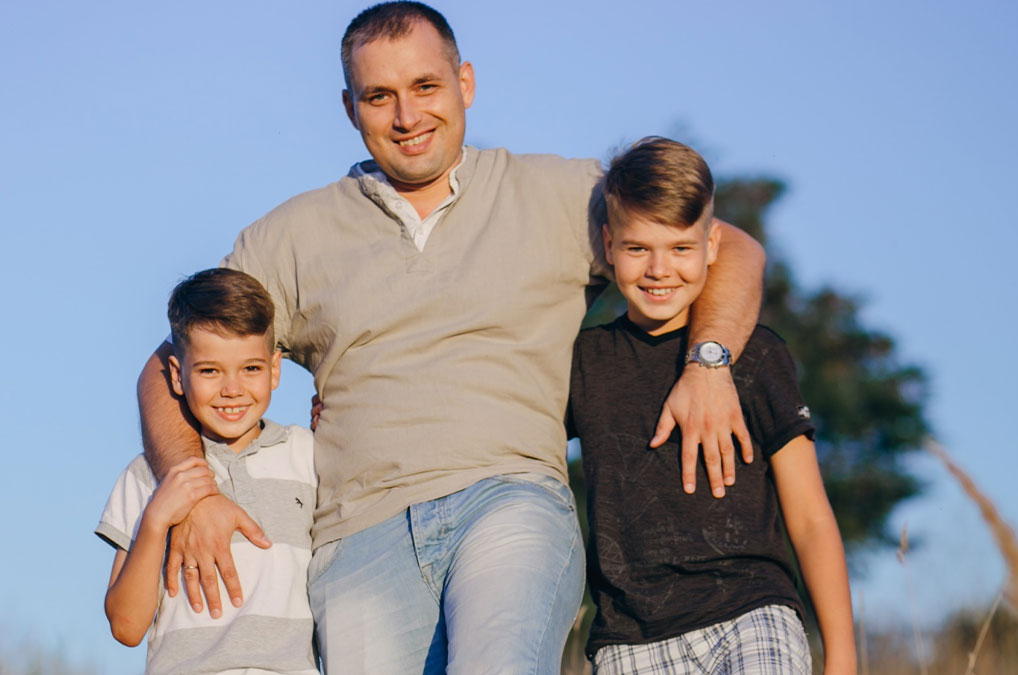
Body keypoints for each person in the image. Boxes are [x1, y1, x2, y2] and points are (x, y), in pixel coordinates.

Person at [137, 3, 768, 673]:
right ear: (350, 107)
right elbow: (167, 364)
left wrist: (708, 363)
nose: (407, 117)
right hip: (358, 534)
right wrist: (196, 487)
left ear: (465, 82)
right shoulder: (288, 238)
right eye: (380, 96)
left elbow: (732, 250)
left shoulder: (562, 194)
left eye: (425, 87)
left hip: (510, 496)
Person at [568, 137, 856, 675]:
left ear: (713, 246)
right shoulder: (584, 362)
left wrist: (842, 658)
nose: (659, 269)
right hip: (630, 640)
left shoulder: (758, 355)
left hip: (751, 614)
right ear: (608, 246)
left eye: (680, 248)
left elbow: (812, 517)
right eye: (637, 249)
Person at [98, 268, 318, 675]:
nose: (232, 389)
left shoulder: (307, 456)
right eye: (209, 371)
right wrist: (157, 518)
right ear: (178, 377)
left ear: (275, 369)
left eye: (250, 369)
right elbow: (126, 627)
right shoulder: (147, 477)